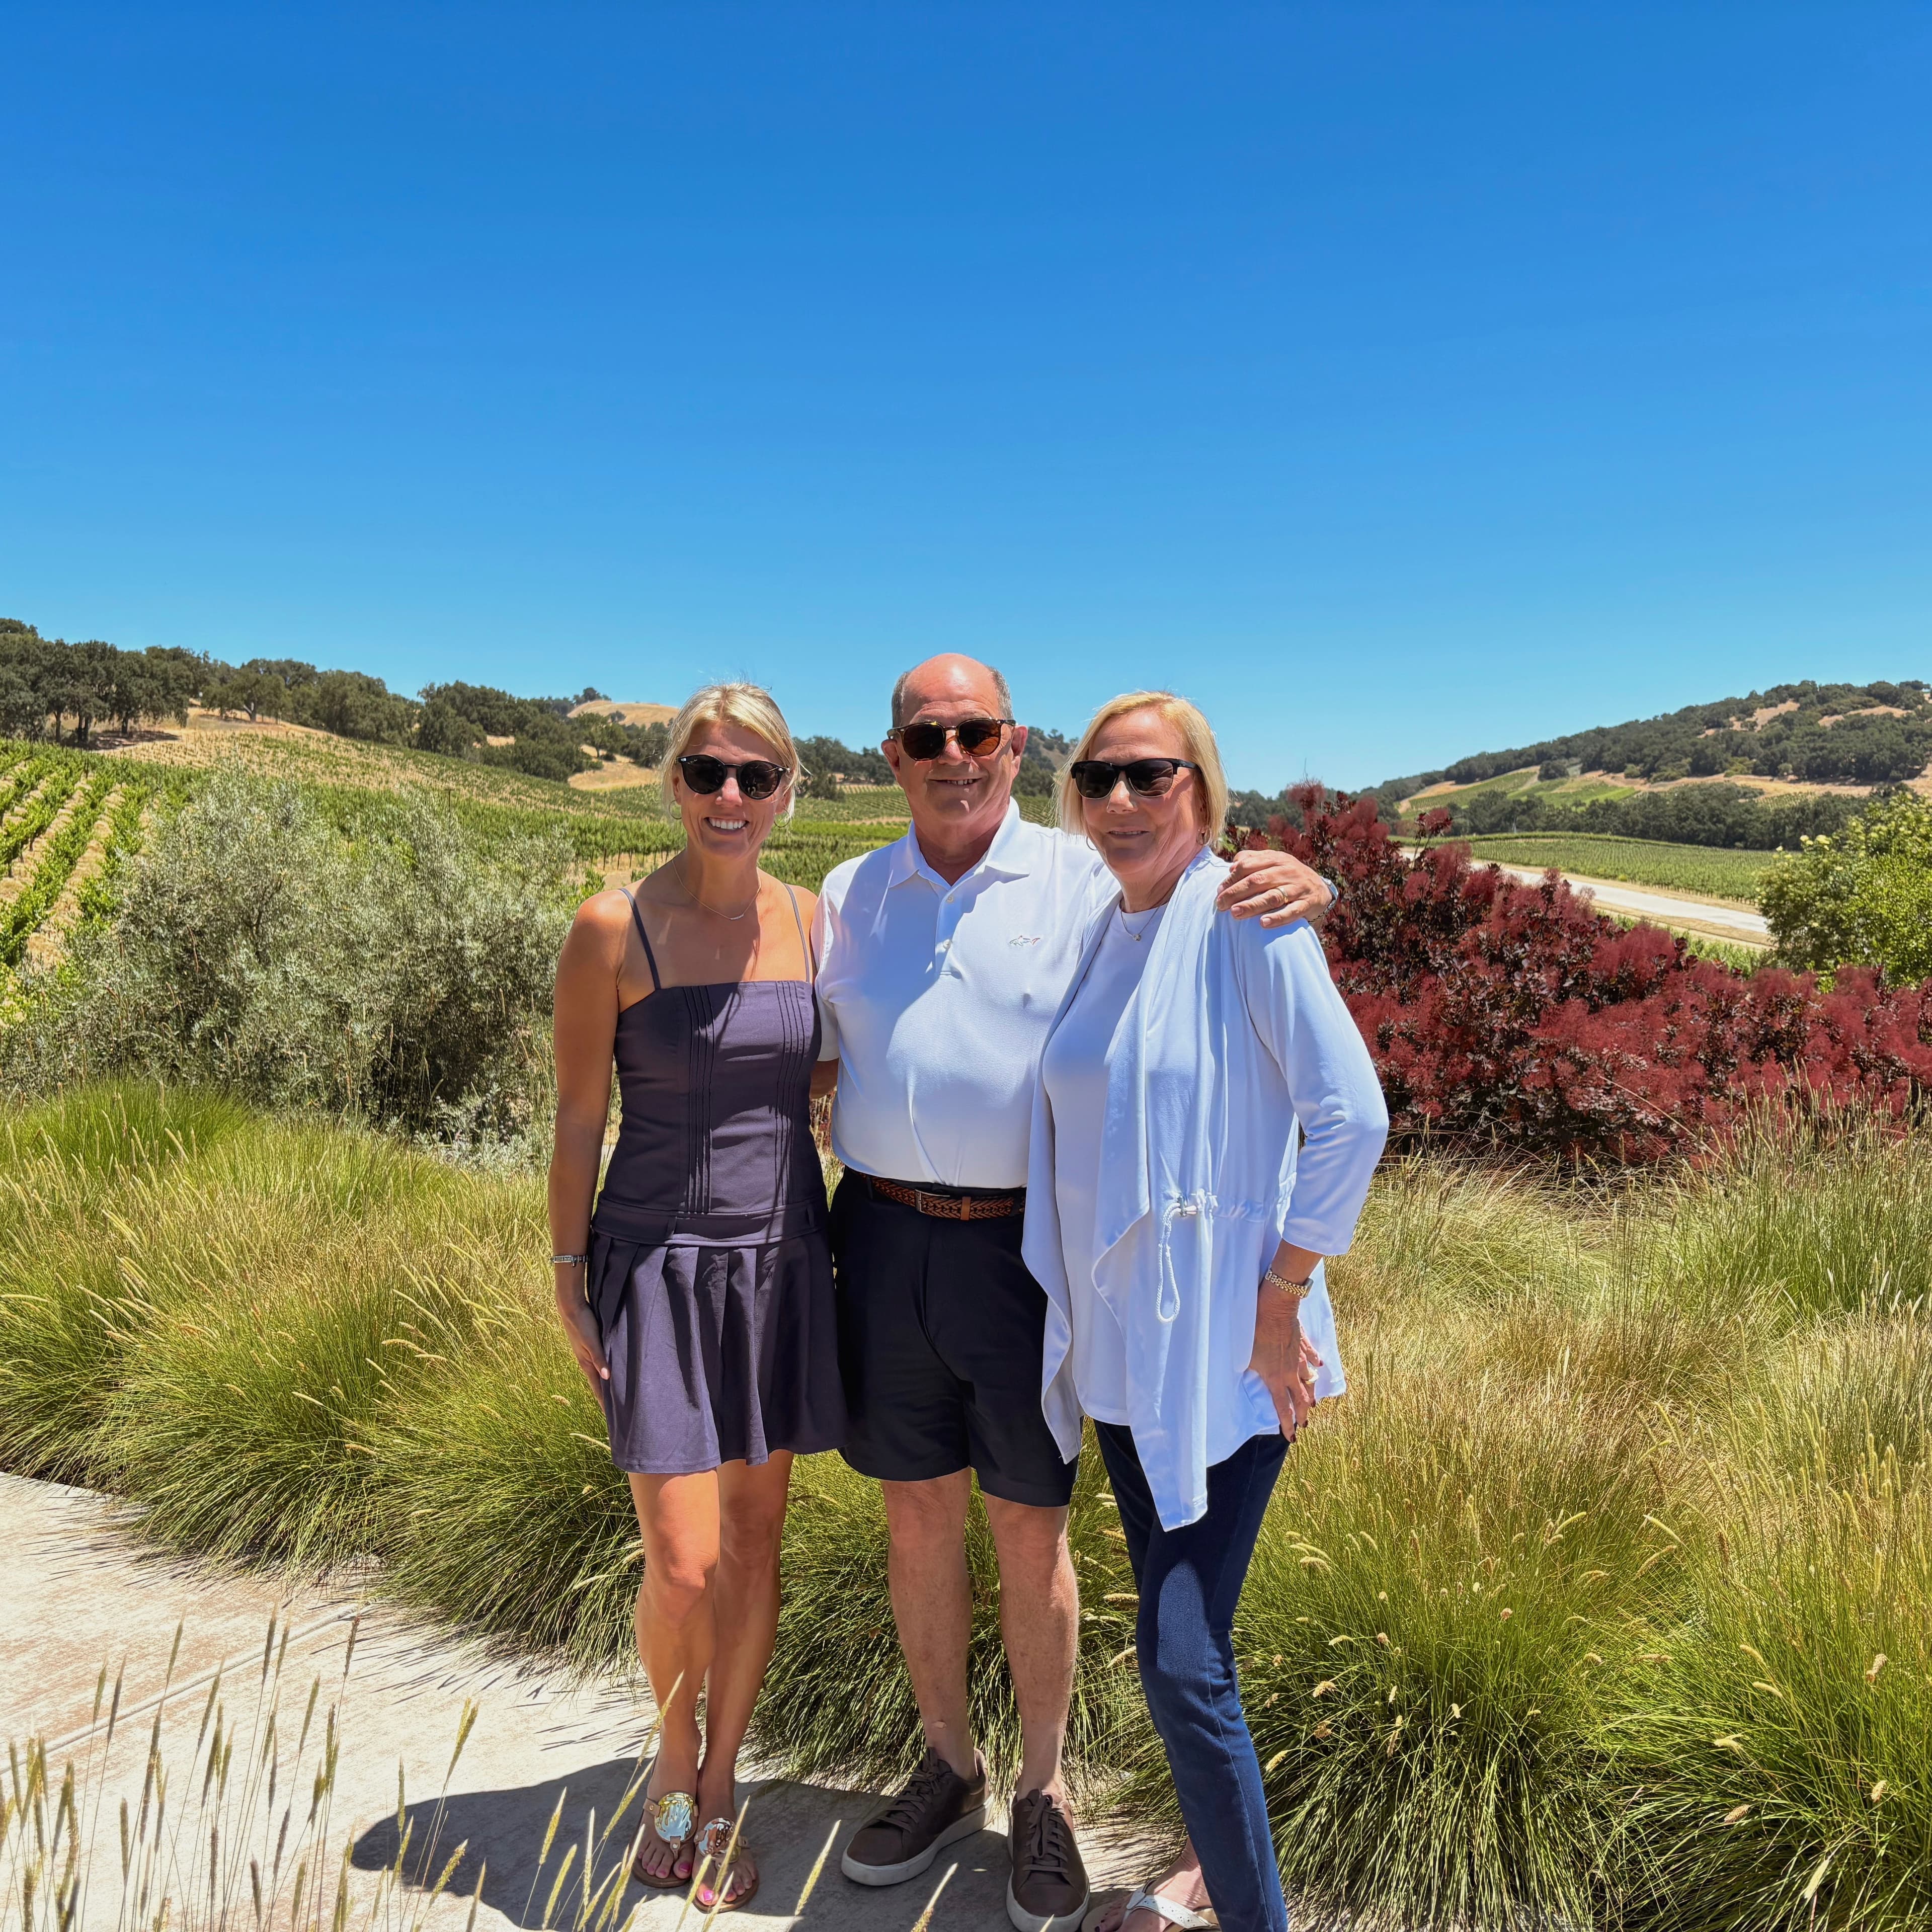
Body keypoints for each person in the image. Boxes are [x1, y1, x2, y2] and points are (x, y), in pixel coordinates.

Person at [813, 655, 1333, 1932]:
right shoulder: (846, 894)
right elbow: (804, 1044)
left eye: (976, 733)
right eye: (926, 738)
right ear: (892, 756)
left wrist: (1324, 886)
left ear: (1012, 742)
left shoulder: (1084, 873)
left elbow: (1213, 903)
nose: (952, 757)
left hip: (1020, 1252)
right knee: (916, 1518)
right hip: (877, 1235)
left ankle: (1042, 1795)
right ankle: (948, 1767)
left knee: (1028, 1524)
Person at [1021, 692, 1388, 1932]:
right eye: (1100, 778)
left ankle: (1250, 1913)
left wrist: (1283, 1302)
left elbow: (1354, 1120)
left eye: (1153, 775)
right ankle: (1200, 1876)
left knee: (1181, 1665)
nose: (1123, 799)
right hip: (1127, 1363)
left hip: (1227, 1361)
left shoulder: (1243, 917)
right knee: (1191, 1649)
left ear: (1205, 790)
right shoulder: (1102, 925)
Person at [548, 682, 845, 1916]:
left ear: (786, 793)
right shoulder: (611, 929)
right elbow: (578, 1117)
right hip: (658, 1268)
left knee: (757, 1543)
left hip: (779, 1264)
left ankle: (723, 1786)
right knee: (683, 1561)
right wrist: (567, 1275)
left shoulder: (817, 922)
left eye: (757, 776)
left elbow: (823, 1078)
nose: (732, 796)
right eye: (709, 772)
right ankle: (672, 1772)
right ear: (673, 781)